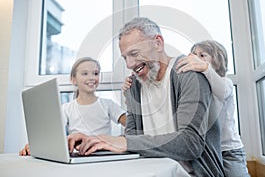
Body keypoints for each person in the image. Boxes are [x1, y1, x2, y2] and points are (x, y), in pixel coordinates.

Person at [67, 17, 225, 177]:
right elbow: (132, 139)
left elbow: (190, 143)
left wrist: (123, 142)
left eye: (134, 54)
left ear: (157, 43)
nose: (129, 64)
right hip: (151, 171)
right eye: (125, 57)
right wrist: (94, 140)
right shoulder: (134, 85)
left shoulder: (188, 73)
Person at [19, 57, 126, 156]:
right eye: (85, 73)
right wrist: (36, 146)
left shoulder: (108, 104)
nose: (92, 77)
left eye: (95, 73)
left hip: (103, 154)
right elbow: (52, 134)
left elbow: (132, 125)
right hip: (77, 155)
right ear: (73, 79)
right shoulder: (66, 108)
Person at [175, 40, 250, 177]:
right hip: (208, 152)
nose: (196, 58)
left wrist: (204, 68)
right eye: (194, 54)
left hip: (229, 151)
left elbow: (222, 91)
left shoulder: (225, 82)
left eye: (202, 55)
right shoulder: (196, 86)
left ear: (217, 61)